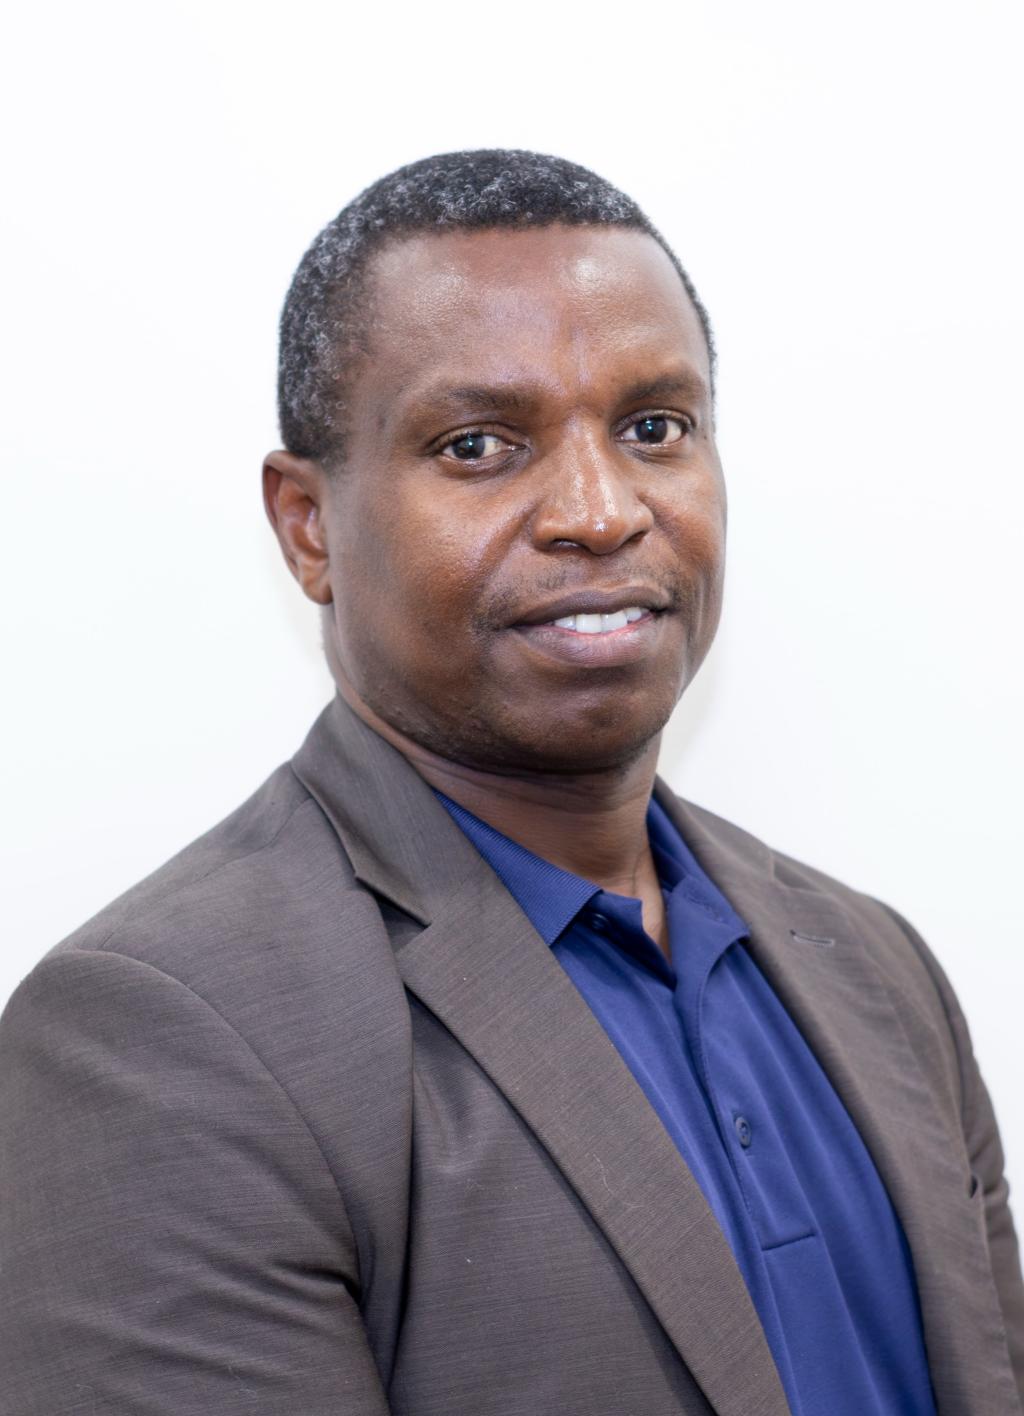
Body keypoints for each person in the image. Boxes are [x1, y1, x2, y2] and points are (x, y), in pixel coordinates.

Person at [1, 149, 1020, 1416]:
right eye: (477, 445)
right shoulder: (162, 1041)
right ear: (308, 526)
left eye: (654, 429)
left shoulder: (873, 967)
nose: (598, 511)